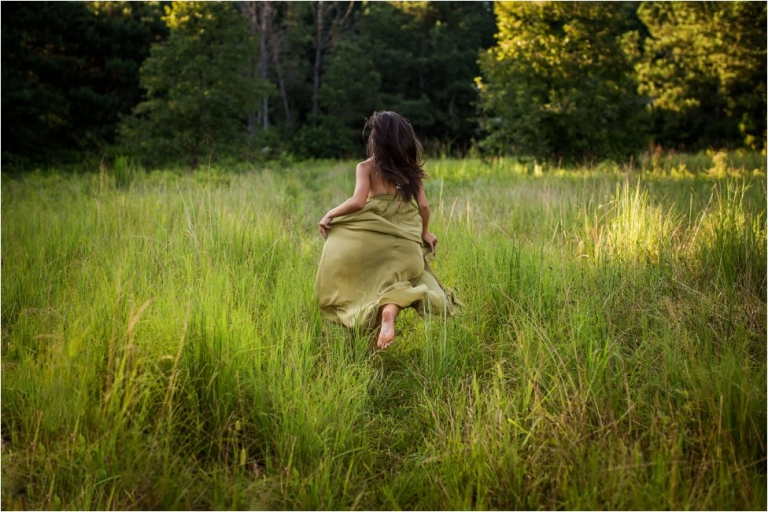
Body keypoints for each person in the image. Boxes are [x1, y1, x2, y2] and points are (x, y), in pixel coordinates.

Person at [314, 111, 461, 349]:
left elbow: (358, 202)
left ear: (376, 139)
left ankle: (365, 339)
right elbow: (423, 205)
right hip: (405, 249)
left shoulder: (366, 167)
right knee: (400, 286)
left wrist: (331, 213)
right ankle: (388, 316)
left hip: (371, 243)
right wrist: (425, 232)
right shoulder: (411, 170)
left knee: (367, 288)